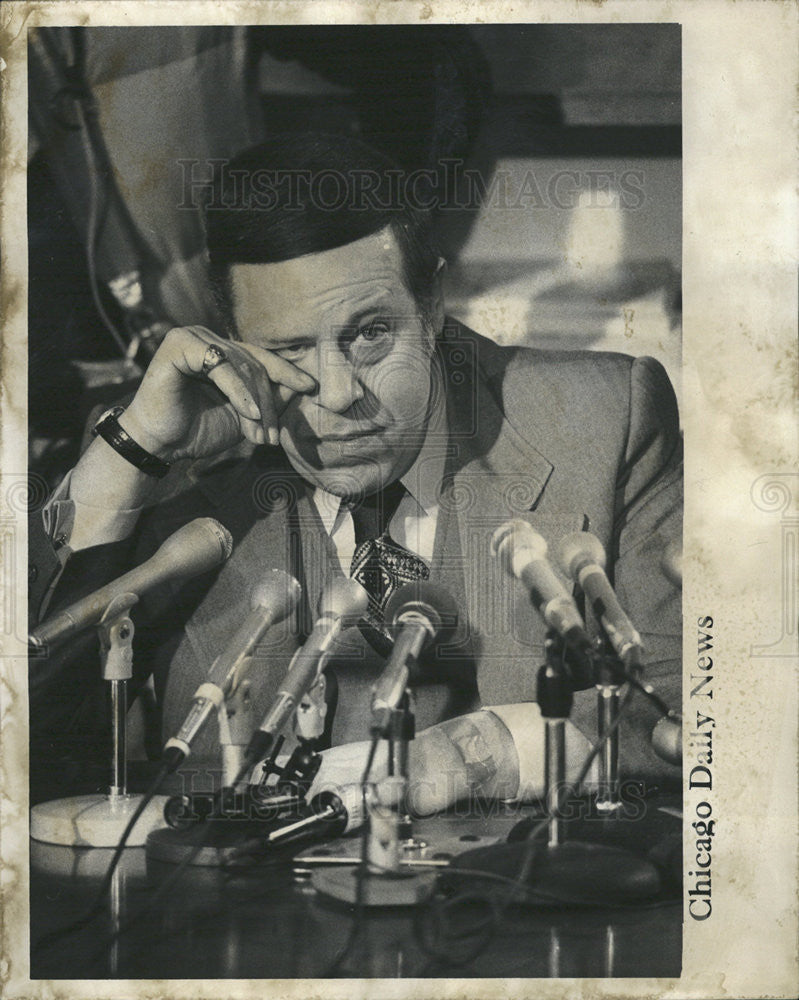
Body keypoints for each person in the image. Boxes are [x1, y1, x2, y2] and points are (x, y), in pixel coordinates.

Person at [29, 133, 682, 814]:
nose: (338, 393)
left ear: (430, 307)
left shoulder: (604, 418)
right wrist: (131, 452)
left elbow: (701, 705)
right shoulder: (184, 467)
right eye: (288, 350)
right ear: (234, 342)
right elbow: (37, 748)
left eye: (370, 334)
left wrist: (465, 757)